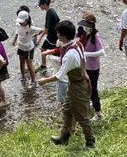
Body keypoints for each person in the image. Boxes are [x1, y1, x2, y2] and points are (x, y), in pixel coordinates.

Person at [39, 20, 96, 149]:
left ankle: (90, 141)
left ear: (63, 36)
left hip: (79, 86)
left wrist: (44, 81)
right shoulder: (77, 44)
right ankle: (64, 136)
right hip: (77, 83)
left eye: (58, 34)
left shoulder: (69, 55)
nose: (57, 36)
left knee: (82, 116)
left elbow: (60, 75)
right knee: (67, 110)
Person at [80, 14, 106, 121]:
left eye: (87, 26)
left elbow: (102, 52)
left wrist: (87, 54)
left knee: (92, 90)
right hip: (86, 66)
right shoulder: (86, 34)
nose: (85, 28)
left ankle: (99, 114)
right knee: (87, 88)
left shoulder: (96, 36)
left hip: (93, 68)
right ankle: (90, 106)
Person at [13, 7, 38, 88]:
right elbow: (17, 31)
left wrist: (34, 36)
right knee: (21, 61)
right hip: (20, 46)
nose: (20, 23)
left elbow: (41, 30)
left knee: (29, 63)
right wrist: (14, 40)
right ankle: (23, 76)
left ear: (27, 20)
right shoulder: (18, 24)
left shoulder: (30, 26)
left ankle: (34, 81)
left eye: (22, 21)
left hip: (28, 47)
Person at [37, 0, 60, 73]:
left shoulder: (50, 14)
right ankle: (43, 66)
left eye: (40, 4)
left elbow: (47, 29)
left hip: (52, 38)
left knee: (54, 52)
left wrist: (39, 39)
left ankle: (56, 69)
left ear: (45, 4)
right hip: (54, 36)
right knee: (44, 50)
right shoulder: (51, 11)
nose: (39, 6)